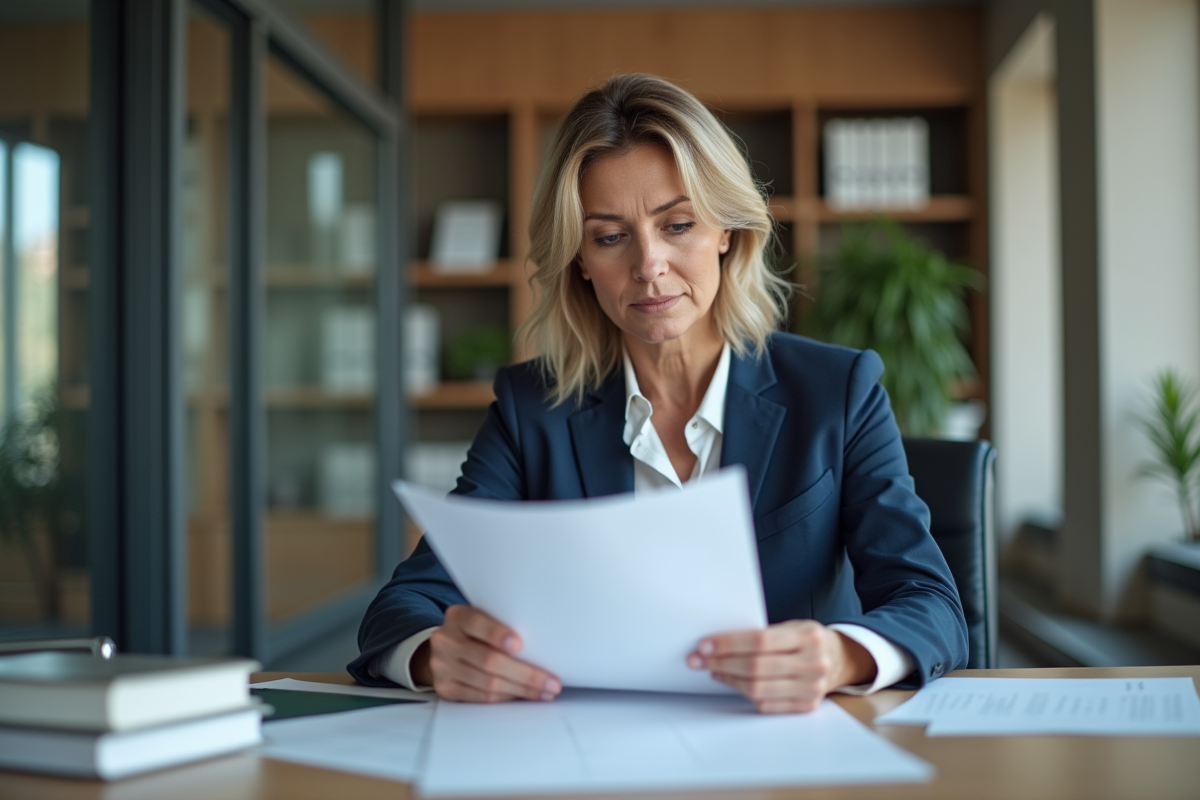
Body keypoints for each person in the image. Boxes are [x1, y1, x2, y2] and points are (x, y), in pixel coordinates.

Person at [348, 74, 967, 714]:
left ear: (726, 230)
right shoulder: (533, 408)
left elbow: (931, 604)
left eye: (677, 224)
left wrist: (841, 654)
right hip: (591, 752)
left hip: (784, 747)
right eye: (610, 237)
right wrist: (431, 653)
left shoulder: (836, 391)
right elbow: (404, 606)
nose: (649, 266)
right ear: (580, 260)